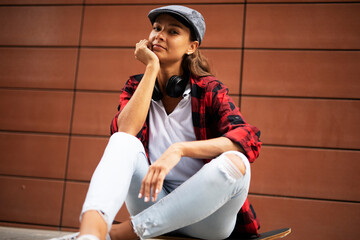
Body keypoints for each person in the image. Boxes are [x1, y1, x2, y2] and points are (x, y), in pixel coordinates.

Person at [55, 5, 261, 240]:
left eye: (173, 32)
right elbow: (125, 132)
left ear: (191, 47)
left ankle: (120, 234)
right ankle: (91, 234)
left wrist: (179, 149)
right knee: (123, 141)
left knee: (237, 163)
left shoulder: (209, 90)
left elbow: (247, 139)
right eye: (156, 28)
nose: (159, 35)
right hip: (151, 202)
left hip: (206, 218)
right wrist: (152, 67)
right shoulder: (136, 86)